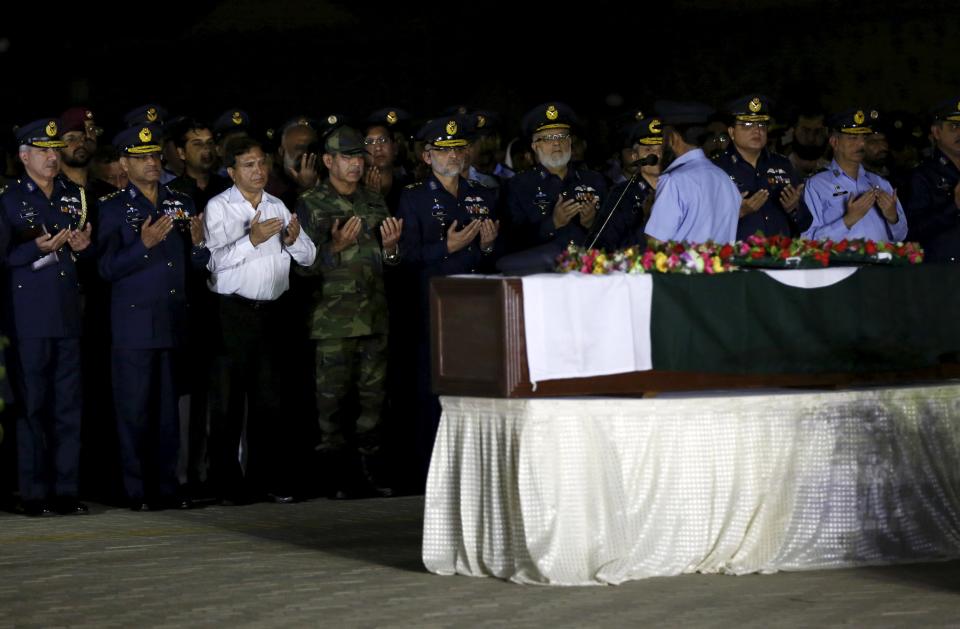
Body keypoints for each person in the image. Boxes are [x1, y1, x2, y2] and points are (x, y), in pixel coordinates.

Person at [97, 125, 209, 511]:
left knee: (167, 413)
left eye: (155, 156)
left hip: (172, 320)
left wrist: (198, 248)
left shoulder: (180, 202)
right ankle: (135, 490)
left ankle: (166, 485)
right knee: (134, 411)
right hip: (133, 324)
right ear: (124, 163)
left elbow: (195, 264)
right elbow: (106, 269)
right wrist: (142, 246)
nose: (151, 163)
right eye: (141, 157)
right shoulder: (112, 207)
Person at [203, 136, 316, 504]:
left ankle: (265, 480)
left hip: (271, 314)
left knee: (269, 401)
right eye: (249, 165)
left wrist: (296, 240)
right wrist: (250, 239)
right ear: (232, 171)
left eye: (262, 163)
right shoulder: (219, 207)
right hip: (232, 313)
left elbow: (309, 257)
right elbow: (214, 262)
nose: (258, 171)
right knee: (228, 402)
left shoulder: (277, 205)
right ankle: (225, 484)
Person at [296, 126, 402, 498]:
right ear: (328, 161)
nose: (356, 164)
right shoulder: (310, 203)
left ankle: (369, 471)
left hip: (373, 316)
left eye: (360, 157)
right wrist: (335, 247)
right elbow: (300, 268)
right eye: (347, 157)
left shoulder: (373, 201)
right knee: (331, 405)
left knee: (373, 402)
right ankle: (333, 476)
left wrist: (391, 249)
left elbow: (389, 262)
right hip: (333, 321)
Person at [398, 115, 500, 487]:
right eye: (444, 150)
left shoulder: (483, 195)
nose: (454, 156)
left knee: (474, 386)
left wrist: (488, 246)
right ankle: (429, 470)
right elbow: (406, 257)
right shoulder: (413, 197)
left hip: (476, 303)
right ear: (427, 156)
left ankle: (473, 470)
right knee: (433, 387)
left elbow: (497, 254)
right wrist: (447, 247)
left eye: (459, 149)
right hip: (434, 304)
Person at [1, 118, 93, 516]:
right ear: (24, 157)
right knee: (33, 406)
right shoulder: (8, 198)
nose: (52, 157)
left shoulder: (74, 194)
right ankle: (33, 492)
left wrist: (84, 246)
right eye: (43, 151)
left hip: (68, 315)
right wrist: (33, 250)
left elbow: (85, 255)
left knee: (68, 406)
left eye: (55, 150)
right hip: (29, 318)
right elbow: (3, 257)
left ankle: (65, 490)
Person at [505, 102, 606, 254]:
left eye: (562, 136)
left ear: (570, 142)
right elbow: (511, 240)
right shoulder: (518, 185)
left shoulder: (595, 181)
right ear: (535, 146)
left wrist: (591, 224)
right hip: (541, 272)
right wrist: (553, 223)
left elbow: (614, 237)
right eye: (548, 138)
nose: (557, 143)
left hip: (587, 272)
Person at [714, 95, 811, 240]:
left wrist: (794, 209)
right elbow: (703, 224)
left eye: (762, 125)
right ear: (732, 132)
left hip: (779, 256)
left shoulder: (782, 164)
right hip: (738, 258)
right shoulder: (717, 169)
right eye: (747, 125)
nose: (757, 131)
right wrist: (738, 213)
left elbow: (805, 224)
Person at [802, 109, 907, 242]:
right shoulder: (817, 185)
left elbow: (901, 236)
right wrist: (848, 220)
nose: (861, 144)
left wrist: (893, 218)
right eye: (853, 138)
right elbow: (808, 240)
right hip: (843, 262)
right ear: (834, 142)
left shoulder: (880, 182)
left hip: (880, 261)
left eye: (864, 138)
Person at [644, 101, 741, 244]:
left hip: (683, 266)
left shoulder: (674, 181)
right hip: (722, 265)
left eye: (663, 137)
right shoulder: (724, 178)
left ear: (673, 138)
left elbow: (656, 242)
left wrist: (649, 215)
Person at [590, 115, 663, 251]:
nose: (657, 155)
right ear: (635, 157)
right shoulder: (622, 195)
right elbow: (605, 246)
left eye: (661, 149)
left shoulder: (682, 190)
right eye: (648, 149)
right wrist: (647, 219)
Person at [905, 98, 960, 261]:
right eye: (954, 127)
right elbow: (912, 231)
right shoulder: (921, 176)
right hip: (942, 271)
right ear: (936, 132)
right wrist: (954, 206)